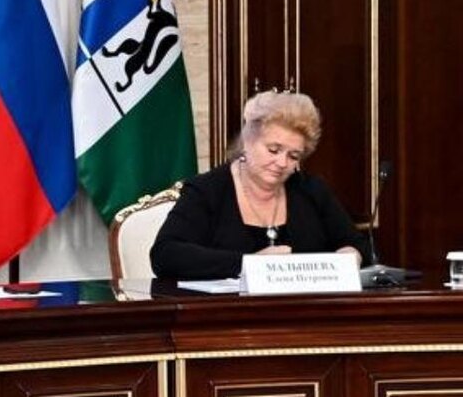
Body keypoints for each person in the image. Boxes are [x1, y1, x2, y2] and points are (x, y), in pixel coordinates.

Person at [150, 90, 367, 279]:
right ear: (247, 142)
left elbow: (359, 246)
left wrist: (352, 255)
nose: (282, 163)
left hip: (304, 311)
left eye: (293, 156)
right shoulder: (207, 190)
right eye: (273, 150)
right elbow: (166, 255)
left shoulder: (312, 191)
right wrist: (249, 264)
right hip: (225, 311)